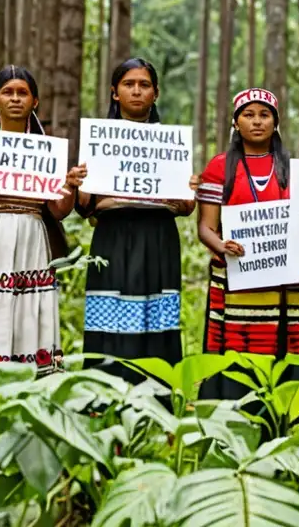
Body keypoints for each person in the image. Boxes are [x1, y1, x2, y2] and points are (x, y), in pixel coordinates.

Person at [0, 66, 85, 382]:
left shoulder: (46, 150)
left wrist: (70, 186)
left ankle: (29, 372)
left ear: (35, 101)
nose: (16, 99)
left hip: (31, 236)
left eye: (23, 93)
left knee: (27, 303)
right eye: (8, 92)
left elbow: (59, 210)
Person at [195, 87, 299, 412]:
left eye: (264, 115)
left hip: (285, 286)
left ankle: (289, 421)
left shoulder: (294, 170)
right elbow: (205, 227)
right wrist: (221, 245)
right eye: (248, 115)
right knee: (236, 355)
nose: (257, 122)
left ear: (275, 122)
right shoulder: (219, 167)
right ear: (235, 122)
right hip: (235, 281)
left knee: (287, 355)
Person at [77, 58, 195, 378]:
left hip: (158, 236)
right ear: (115, 93)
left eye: (144, 85)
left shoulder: (170, 146)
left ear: (155, 93)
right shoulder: (99, 141)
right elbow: (85, 205)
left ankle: (156, 394)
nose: (136, 91)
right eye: (129, 84)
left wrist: (188, 190)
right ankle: (104, 394)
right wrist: (79, 182)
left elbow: (186, 205)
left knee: (156, 312)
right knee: (109, 309)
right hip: (113, 236)